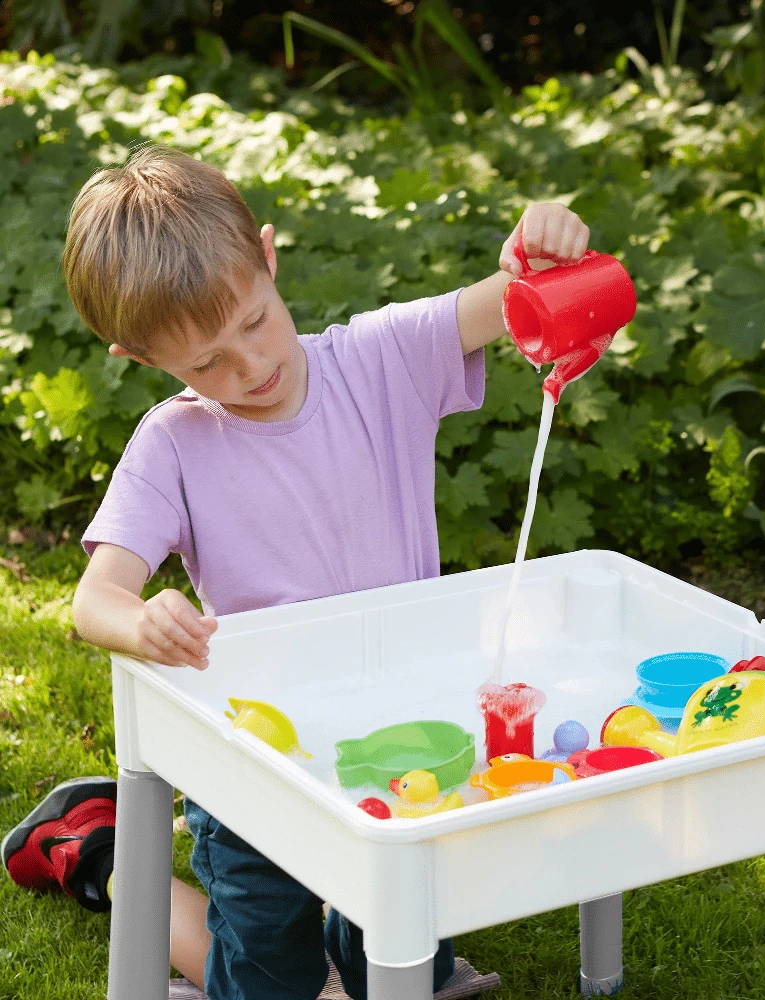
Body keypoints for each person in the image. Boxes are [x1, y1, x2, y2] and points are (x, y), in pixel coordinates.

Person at [1, 144, 592, 1000]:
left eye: (254, 321)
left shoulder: (380, 361)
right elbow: (95, 602)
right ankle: (97, 851)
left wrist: (539, 248)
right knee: (271, 983)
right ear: (140, 358)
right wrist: (140, 621)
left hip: (406, 732)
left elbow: (506, 303)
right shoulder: (173, 444)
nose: (247, 369)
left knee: (400, 971)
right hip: (260, 756)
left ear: (270, 261)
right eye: (204, 363)